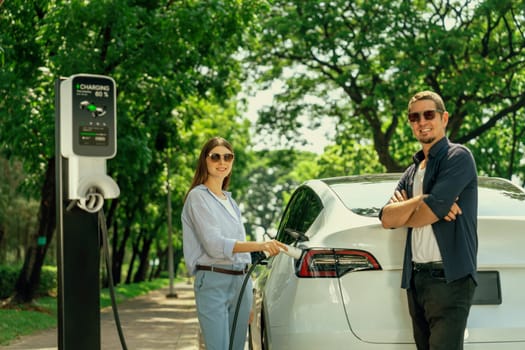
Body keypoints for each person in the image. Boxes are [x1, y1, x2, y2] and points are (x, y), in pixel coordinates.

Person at [379, 91, 478, 350]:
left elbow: (428, 212)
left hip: (450, 278)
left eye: (428, 114)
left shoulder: (458, 157)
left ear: (443, 118)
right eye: (414, 117)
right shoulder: (412, 171)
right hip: (417, 280)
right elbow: (387, 218)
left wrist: (415, 209)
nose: (421, 121)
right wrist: (425, 199)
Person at [182, 136, 286, 350]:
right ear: (205, 160)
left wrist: (247, 294)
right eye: (215, 157)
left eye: (228, 157)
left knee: (237, 347)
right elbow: (214, 244)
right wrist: (261, 245)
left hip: (241, 282)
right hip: (213, 281)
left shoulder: (231, 202)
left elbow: (240, 253)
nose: (222, 162)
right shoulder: (197, 197)